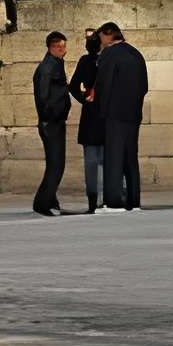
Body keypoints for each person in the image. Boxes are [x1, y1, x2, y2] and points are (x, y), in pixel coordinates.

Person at [93, 20, 148, 212]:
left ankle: (113, 201)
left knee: (114, 158)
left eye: (102, 39)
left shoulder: (110, 53)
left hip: (115, 114)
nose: (102, 43)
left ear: (108, 35)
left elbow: (104, 84)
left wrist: (102, 110)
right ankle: (134, 201)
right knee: (130, 158)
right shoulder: (136, 54)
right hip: (133, 114)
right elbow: (144, 87)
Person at [32, 31, 70, 216]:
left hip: (54, 121)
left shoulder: (55, 64)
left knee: (56, 163)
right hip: (51, 122)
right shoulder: (48, 67)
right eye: (57, 47)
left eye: (63, 47)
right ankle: (43, 203)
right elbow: (43, 96)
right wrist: (50, 117)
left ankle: (50, 200)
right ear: (50, 47)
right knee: (56, 164)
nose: (61, 50)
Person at [69, 28, 106, 212]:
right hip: (104, 113)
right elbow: (73, 86)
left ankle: (93, 201)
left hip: (92, 113)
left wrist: (85, 98)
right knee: (103, 159)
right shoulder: (106, 58)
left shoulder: (86, 60)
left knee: (92, 161)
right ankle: (104, 198)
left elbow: (73, 86)